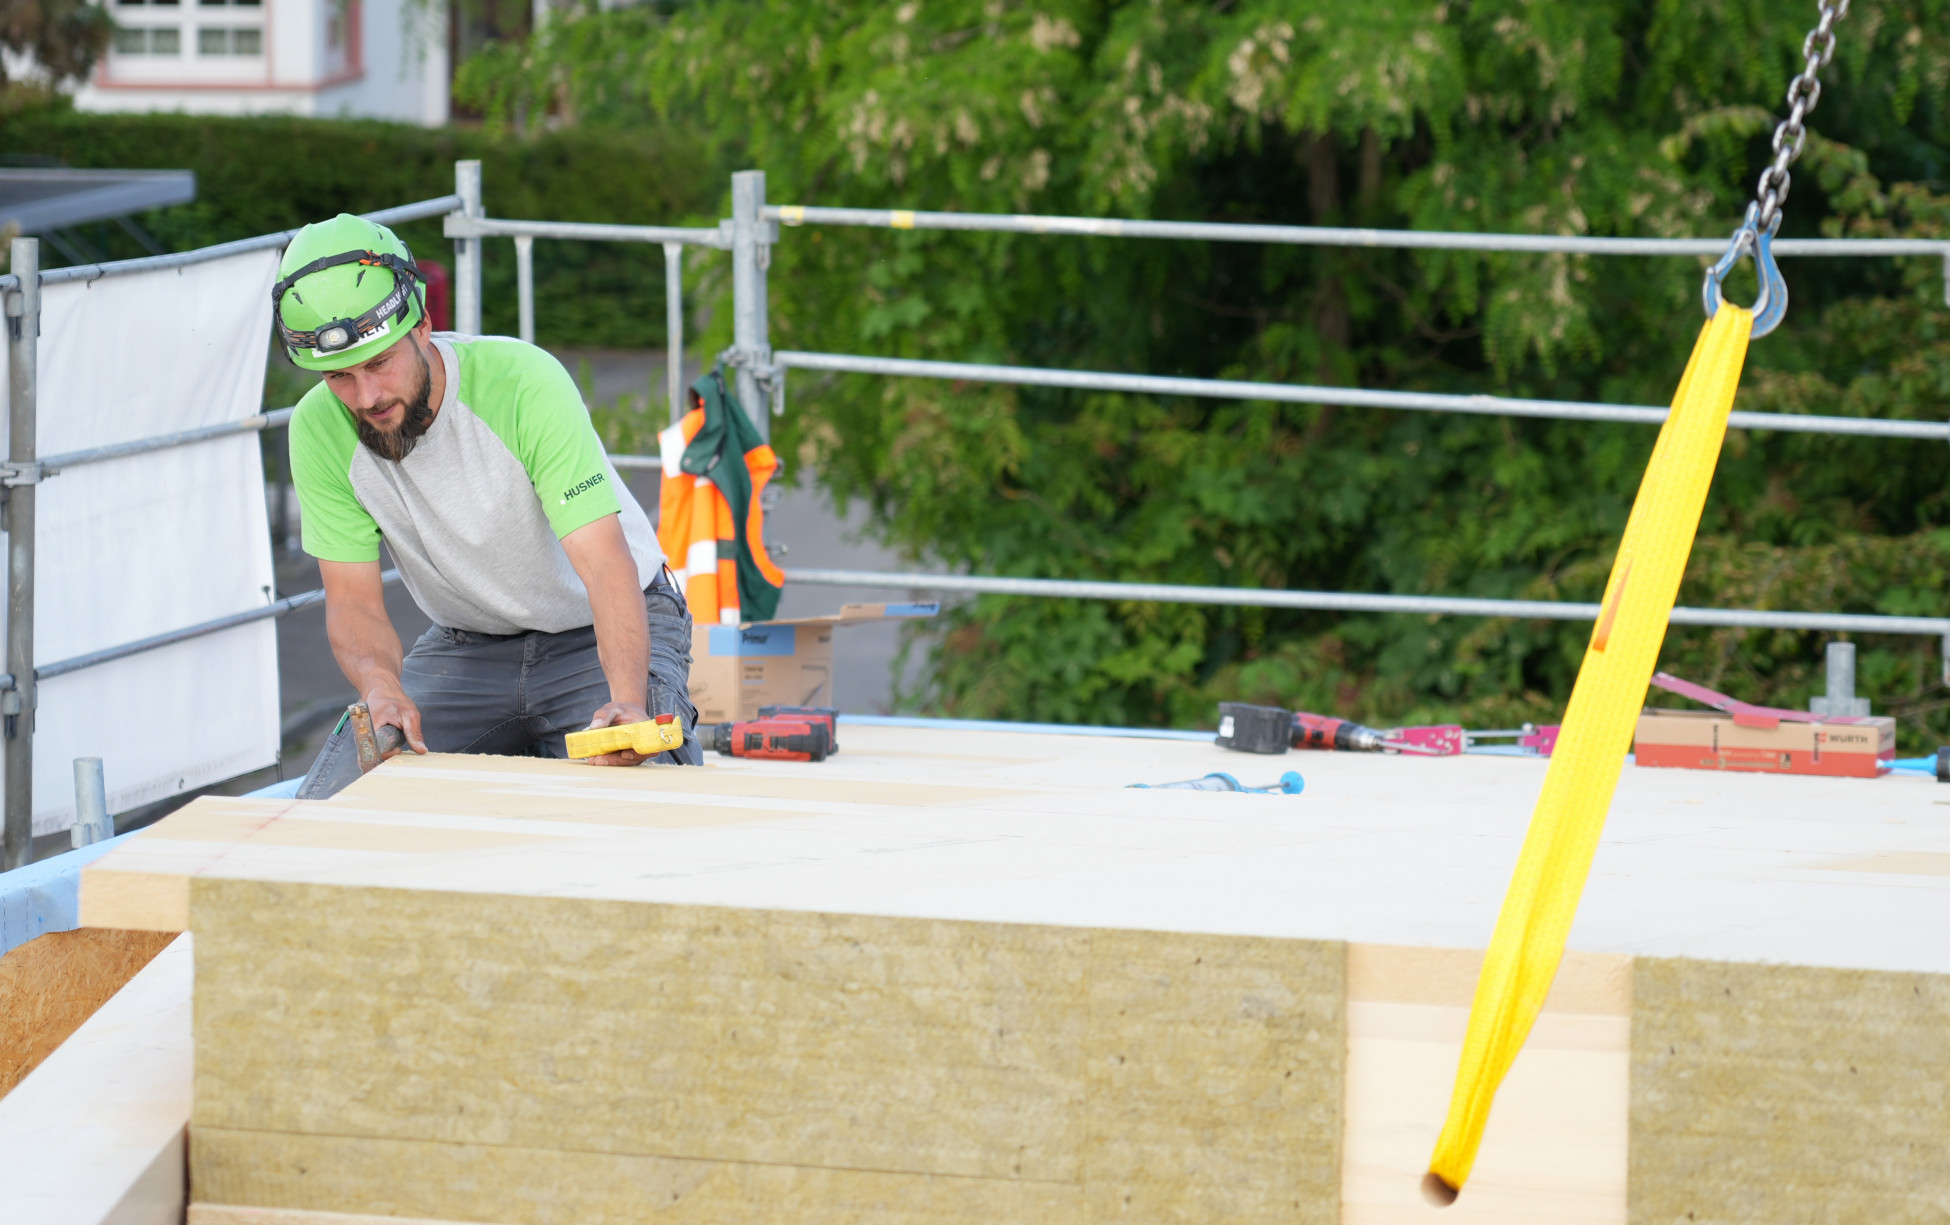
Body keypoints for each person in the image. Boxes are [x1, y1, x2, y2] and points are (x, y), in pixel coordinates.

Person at [280, 213, 698, 769]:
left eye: (380, 363)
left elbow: (604, 563)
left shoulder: (523, 382)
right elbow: (353, 600)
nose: (366, 396)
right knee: (351, 785)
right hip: (468, 646)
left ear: (422, 326)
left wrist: (626, 699)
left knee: (637, 785)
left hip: (597, 629)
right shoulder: (317, 429)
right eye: (340, 377)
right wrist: (380, 686)